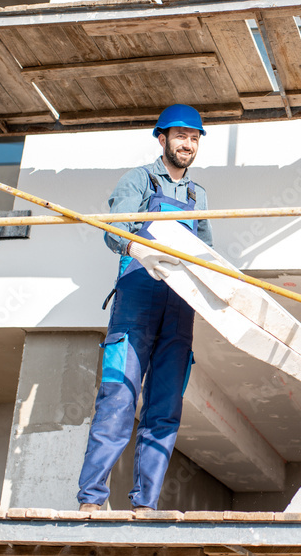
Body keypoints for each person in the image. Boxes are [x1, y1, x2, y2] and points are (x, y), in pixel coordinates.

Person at [77, 103, 212, 512]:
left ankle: (145, 505)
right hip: (138, 296)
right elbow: (114, 228)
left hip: (180, 304)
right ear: (162, 138)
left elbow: (206, 252)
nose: (187, 144)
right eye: (180, 136)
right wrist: (136, 245)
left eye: (194, 138)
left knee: (165, 408)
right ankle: (92, 499)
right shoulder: (139, 179)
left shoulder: (197, 194)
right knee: (118, 398)